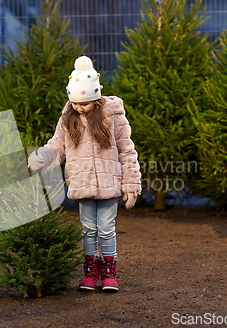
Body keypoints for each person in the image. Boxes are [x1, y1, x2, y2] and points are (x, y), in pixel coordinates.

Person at [28, 55, 142, 293]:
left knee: (106, 228)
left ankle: (109, 273)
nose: (79, 108)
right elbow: (57, 145)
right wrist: (42, 157)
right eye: (76, 103)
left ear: (96, 98)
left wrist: (131, 184)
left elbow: (127, 150)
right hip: (82, 183)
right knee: (88, 228)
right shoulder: (68, 117)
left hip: (110, 183)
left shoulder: (112, 116)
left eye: (85, 104)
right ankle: (90, 272)